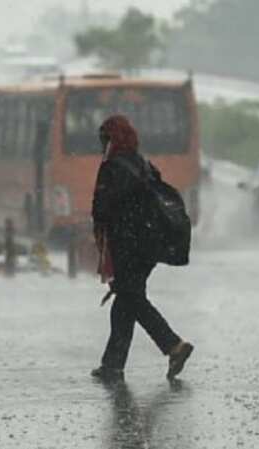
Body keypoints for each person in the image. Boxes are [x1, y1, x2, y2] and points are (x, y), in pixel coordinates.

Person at [90, 114, 194, 382]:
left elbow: (102, 209)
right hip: (150, 245)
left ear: (111, 140)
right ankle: (112, 365)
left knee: (132, 298)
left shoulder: (112, 167)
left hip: (127, 244)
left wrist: (100, 232)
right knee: (125, 299)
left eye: (104, 139)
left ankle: (173, 345)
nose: (101, 145)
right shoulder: (143, 164)